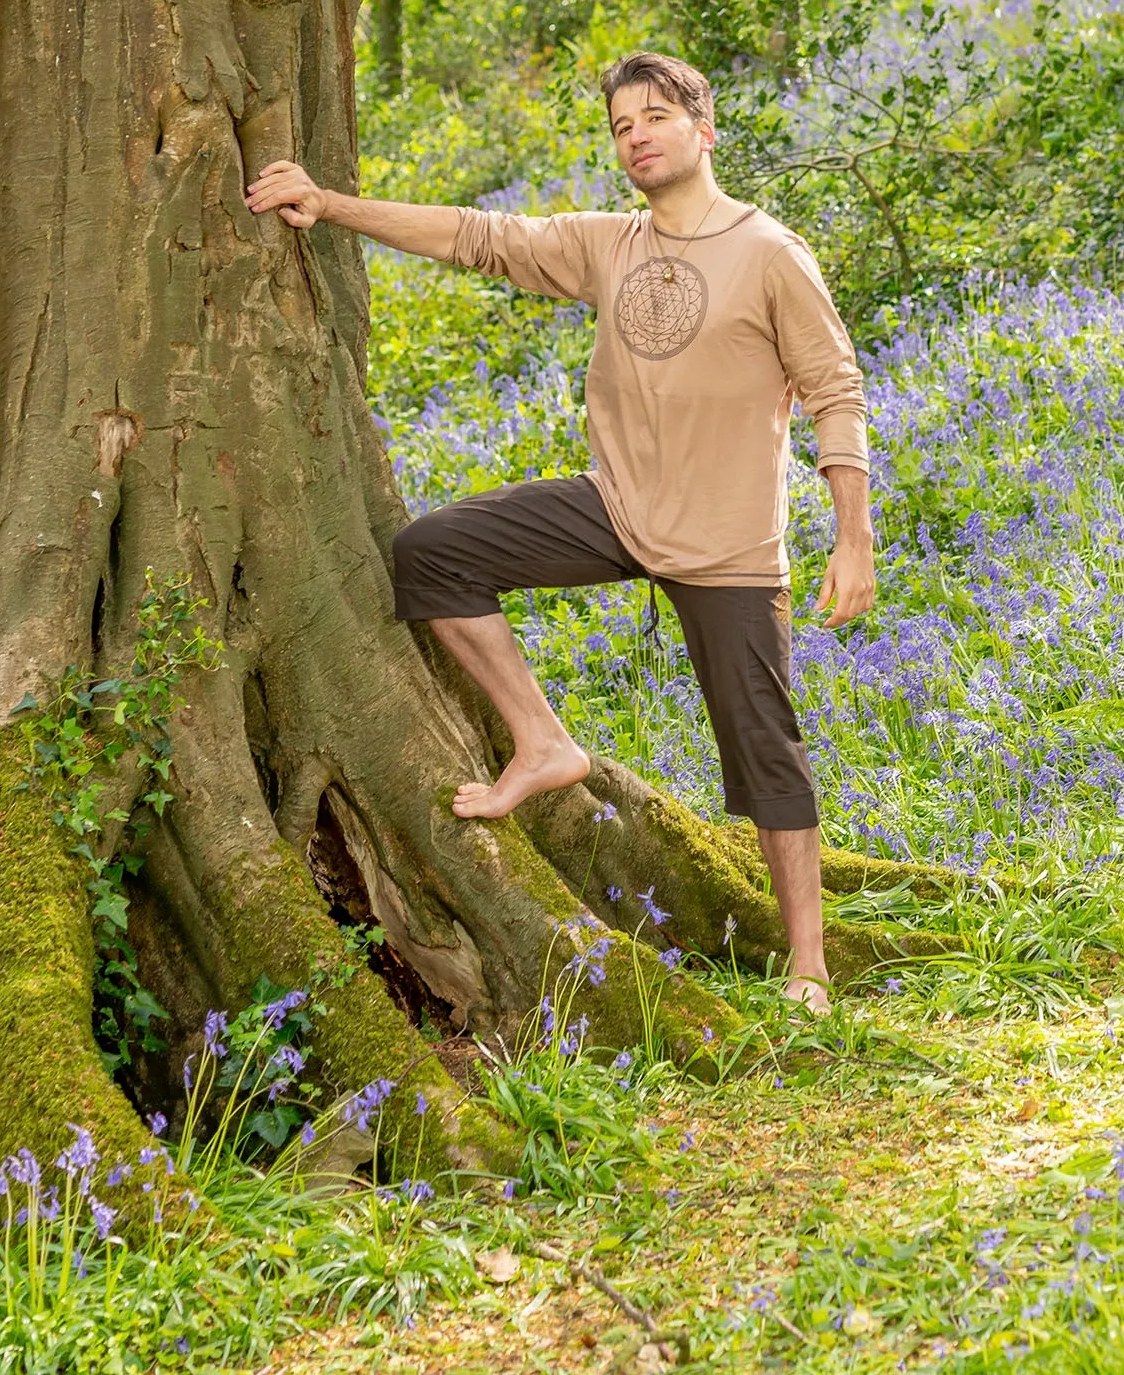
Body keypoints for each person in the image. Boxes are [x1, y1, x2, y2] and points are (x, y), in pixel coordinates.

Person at [245, 51, 875, 1013]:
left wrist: (852, 539)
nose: (638, 137)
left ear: (704, 131)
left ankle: (808, 967)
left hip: (727, 547)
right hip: (616, 506)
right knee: (432, 554)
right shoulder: (606, 244)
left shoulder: (770, 254)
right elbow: (477, 236)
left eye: (656, 117)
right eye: (622, 126)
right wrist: (328, 205)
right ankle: (542, 743)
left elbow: (836, 392)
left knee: (766, 752)